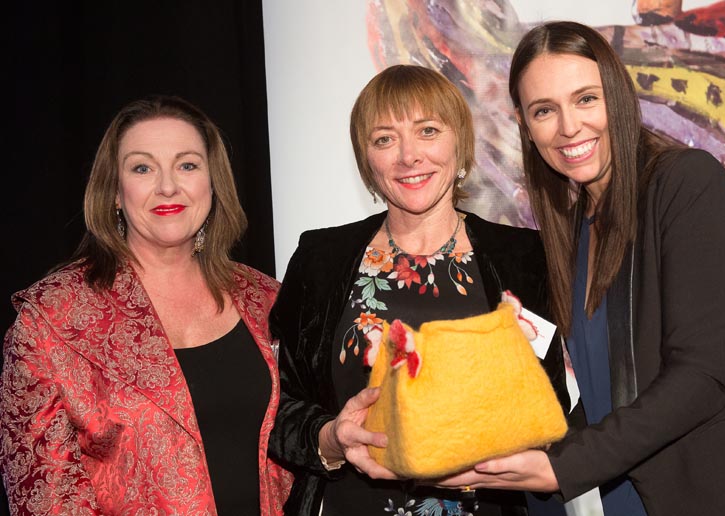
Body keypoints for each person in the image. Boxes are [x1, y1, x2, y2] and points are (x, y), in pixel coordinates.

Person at [436, 20, 725, 516]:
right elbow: (602, 396)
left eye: (586, 99)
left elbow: (701, 376)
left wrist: (561, 468)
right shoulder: (575, 229)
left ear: (619, 97)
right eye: (545, 110)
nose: (569, 127)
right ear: (525, 124)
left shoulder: (686, 184)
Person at [267, 64, 570, 516]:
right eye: (384, 138)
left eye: (428, 131)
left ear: (459, 143)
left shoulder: (525, 257)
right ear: (366, 159)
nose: (409, 156)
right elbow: (276, 406)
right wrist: (329, 437)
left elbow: (551, 404)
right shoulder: (320, 258)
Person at [0, 95, 291, 515]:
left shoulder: (267, 299)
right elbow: (45, 501)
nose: (168, 186)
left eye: (187, 165)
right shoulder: (50, 319)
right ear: (115, 193)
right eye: (142, 167)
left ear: (213, 184)